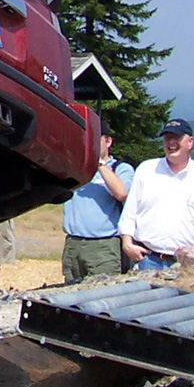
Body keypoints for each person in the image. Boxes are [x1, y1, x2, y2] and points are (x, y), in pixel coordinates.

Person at [118, 118, 194, 271]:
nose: (171, 143)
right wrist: (127, 243)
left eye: (177, 138)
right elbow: (129, 212)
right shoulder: (146, 170)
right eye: (167, 138)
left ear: (190, 142)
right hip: (149, 260)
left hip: (193, 264)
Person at [62, 120, 134, 282]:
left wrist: (99, 164)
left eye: (94, 139)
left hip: (104, 246)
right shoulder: (74, 165)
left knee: (103, 295)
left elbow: (122, 193)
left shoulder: (121, 168)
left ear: (108, 141)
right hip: (73, 244)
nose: (88, 143)